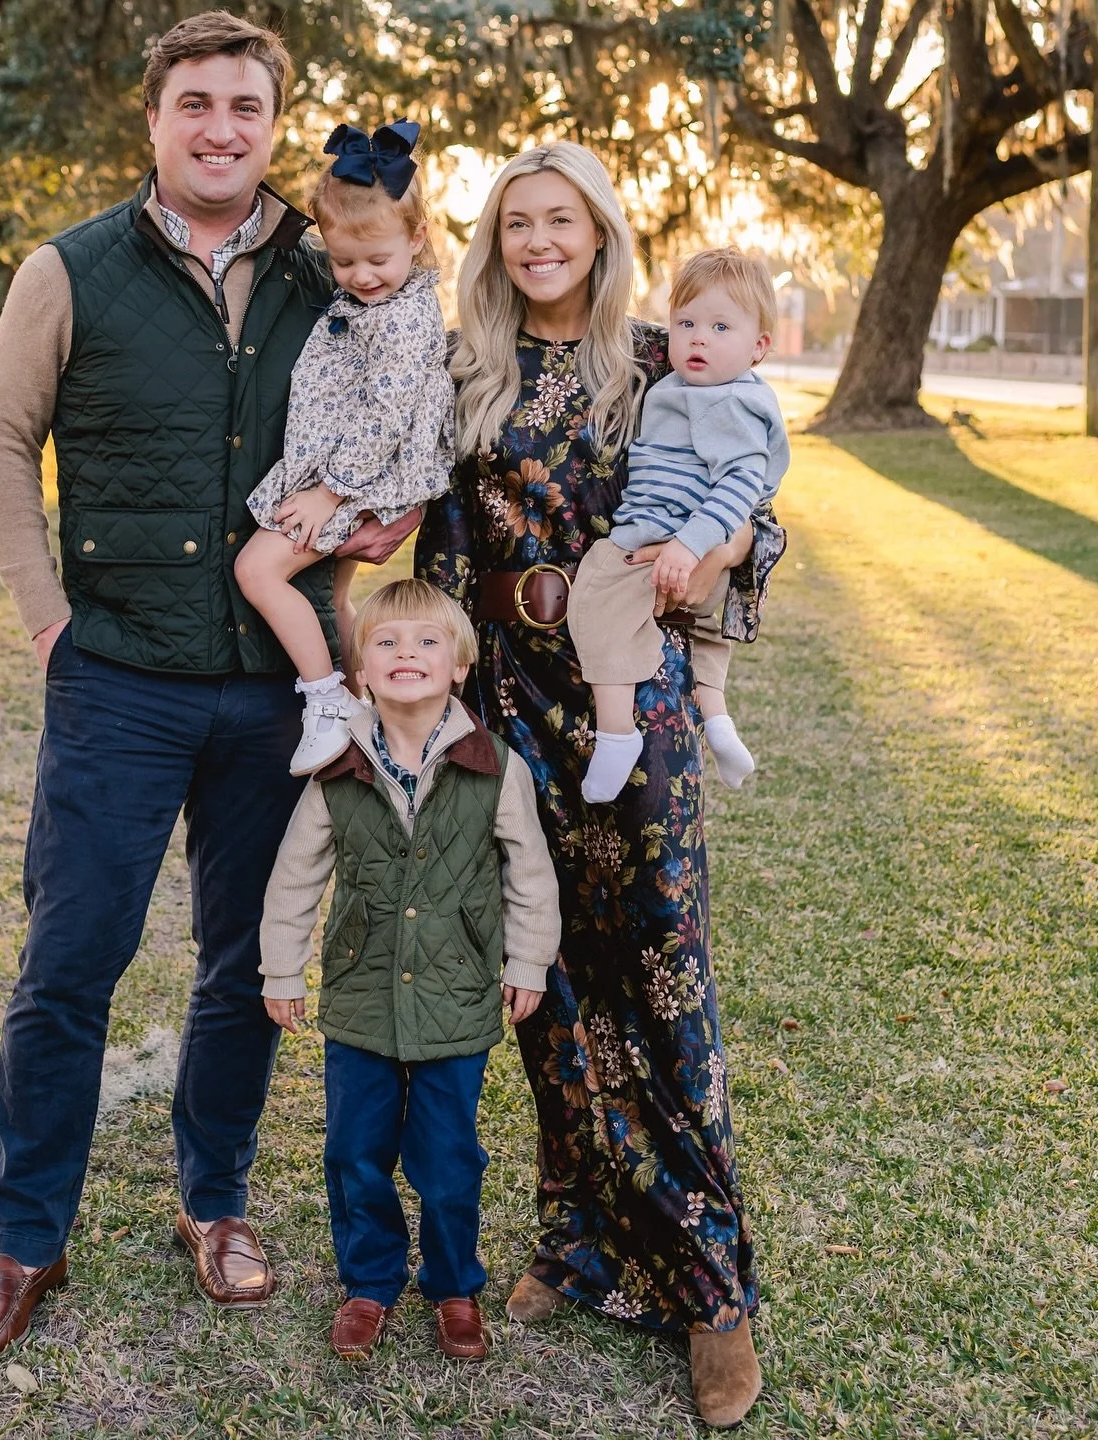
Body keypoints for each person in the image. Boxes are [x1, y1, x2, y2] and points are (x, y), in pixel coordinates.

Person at [0, 11, 415, 1360]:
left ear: (277, 125)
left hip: (280, 684)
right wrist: (48, 624)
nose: (221, 129)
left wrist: (390, 518)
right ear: (153, 119)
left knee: (242, 965)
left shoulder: (331, 269)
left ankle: (213, 1207)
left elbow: (409, 409)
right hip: (118, 679)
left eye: (247, 109)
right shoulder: (72, 269)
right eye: (196, 104)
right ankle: (25, 1236)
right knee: (69, 963)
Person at [414, 142, 785, 1431]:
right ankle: (578, 1243)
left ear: (599, 229)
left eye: (559, 220)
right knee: (550, 985)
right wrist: (449, 720)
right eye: (517, 224)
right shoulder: (473, 371)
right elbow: (448, 552)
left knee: (661, 974)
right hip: (512, 707)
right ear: (496, 241)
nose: (538, 242)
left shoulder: (656, 355)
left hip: (640, 709)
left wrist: (719, 542)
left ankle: (708, 1286)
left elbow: (762, 507)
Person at [259, 578, 560, 1363]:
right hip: (361, 997)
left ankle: (456, 1287)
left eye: (427, 641)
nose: (406, 655)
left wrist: (527, 961)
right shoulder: (337, 768)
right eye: (386, 642)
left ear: (459, 665)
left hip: (457, 997)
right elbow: (295, 876)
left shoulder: (496, 768)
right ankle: (368, 1284)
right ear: (360, 669)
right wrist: (282, 971)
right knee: (355, 1153)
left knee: (449, 1158)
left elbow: (530, 876)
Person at [236, 120, 454, 775]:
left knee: (259, 570)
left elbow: (384, 418)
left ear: (416, 238)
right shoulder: (380, 297)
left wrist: (329, 490)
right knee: (330, 598)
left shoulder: (406, 317)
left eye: (376, 260)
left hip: (356, 479)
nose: (359, 276)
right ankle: (365, 711)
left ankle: (325, 700)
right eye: (343, 261)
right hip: (344, 472)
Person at [567, 247, 790, 802]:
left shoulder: (728, 401)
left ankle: (616, 733)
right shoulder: (685, 387)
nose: (697, 339)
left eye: (720, 327)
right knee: (706, 636)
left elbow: (741, 486)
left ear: (759, 347)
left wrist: (690, 548)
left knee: (595, 593)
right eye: (685, 323)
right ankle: (717, 722)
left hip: (665, 543)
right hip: (694, 556)